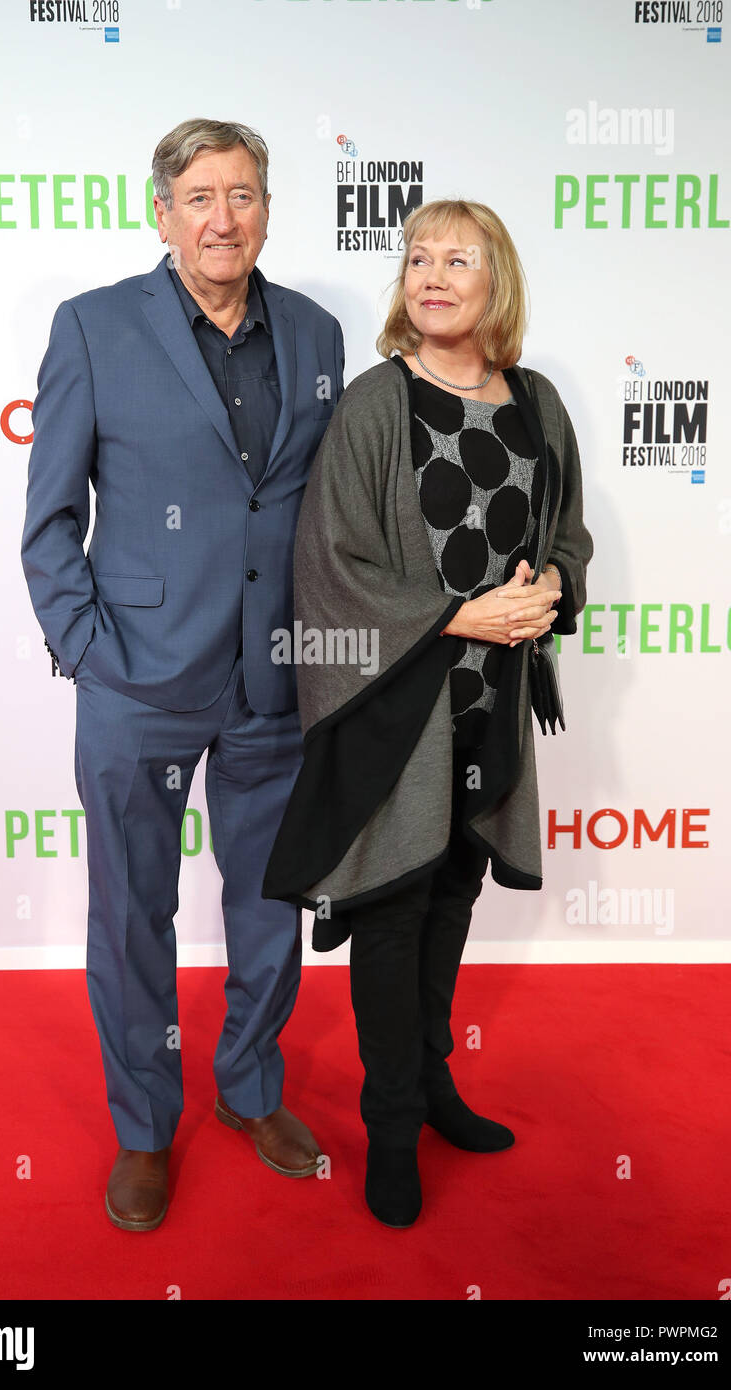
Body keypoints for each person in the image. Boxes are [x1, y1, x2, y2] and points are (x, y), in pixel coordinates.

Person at [21, 118, 344, 1231]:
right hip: (138, 683)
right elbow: (50, 522)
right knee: (131, 917)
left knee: (269, 904)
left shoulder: (317, 334)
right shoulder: (96, 328)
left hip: (274, 679)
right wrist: (92, 651)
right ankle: (146, 1126)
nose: (222, 217)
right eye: (199, 196)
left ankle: (253, 1090)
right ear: (161, 212)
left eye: (243, 194)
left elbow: (319, 511)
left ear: (267, 210)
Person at [263, 198, 593, 1228]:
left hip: (491, 710)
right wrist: (460, 613)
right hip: (400, 710)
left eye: (459, 258)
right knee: (394, 912)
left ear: (499, 279)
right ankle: (393, 1125)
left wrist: (550, 595)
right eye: (418, 257)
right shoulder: (377, 403)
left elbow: (568, 537)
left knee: (454, 894)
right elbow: (328, 568)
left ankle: (438, 1082)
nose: (433, 274)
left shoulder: (536, 401)